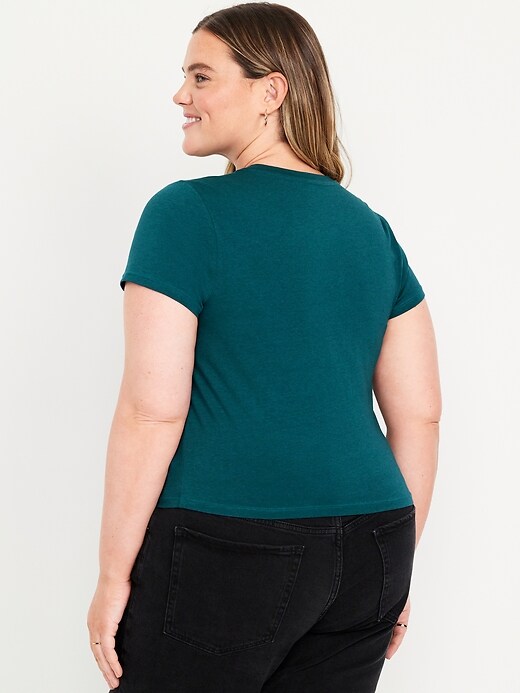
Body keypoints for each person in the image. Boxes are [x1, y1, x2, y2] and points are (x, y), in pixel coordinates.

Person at [87, 3, 441, 692]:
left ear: (270, 91)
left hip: (229, 544)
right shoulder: (371, 230)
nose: (181, 95)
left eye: (201, 76)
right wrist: (395, 568)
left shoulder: (185, 213)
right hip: (375, 541)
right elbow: (420, 415)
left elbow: (152, 411)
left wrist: (111, 577)